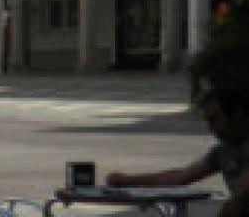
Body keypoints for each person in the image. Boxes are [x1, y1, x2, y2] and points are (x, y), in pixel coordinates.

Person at [105, 87, 247, 216]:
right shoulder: (223, 151)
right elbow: (180, 177)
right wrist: (128, 180)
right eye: (208, 121)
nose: (211, 127)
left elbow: (242, 195)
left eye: (215, 119)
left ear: (237, 113)